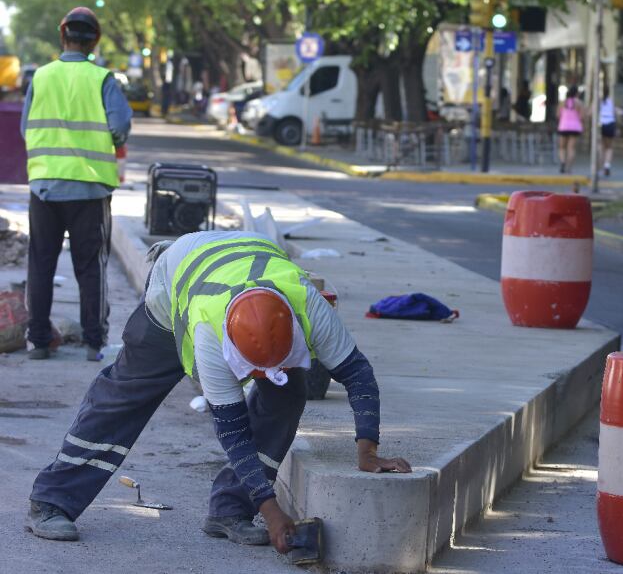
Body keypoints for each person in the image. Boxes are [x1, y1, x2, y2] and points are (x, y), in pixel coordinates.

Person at [25, 231, 411, 554]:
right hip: (176, 284)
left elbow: (358, 374)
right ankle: (52, 500)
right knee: (128, 393)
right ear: (231, 349)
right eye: (256, 368)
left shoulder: (309, 306)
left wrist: (368, 452)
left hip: (241, 263)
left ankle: (230, 510)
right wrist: (272, 509)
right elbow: (231, 430)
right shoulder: (209, 335)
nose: (264, 375)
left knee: (286, 395)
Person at [20, 7, 132, 362]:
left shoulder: (41, 77)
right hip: (89, 187)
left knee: (41, 263)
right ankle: (94, 343)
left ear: (62, 34)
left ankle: (38, 341)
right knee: (90, 265)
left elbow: (26, 129)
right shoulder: (103, 79)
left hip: (45, 188)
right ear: (94, 41)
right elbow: (119, 127)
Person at [557, 85, 584, 173]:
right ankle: (569, 167)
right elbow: (582, 116)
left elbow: (558, 115)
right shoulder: (579, 103)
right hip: (575, 127)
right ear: (577, 93)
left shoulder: (562, 102)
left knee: (562, 147)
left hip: (563, 126)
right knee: (571, 148)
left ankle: (562, 162)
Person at [599, 86, 616, 177]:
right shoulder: (610, 101)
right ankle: (607, 165)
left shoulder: (597, 101)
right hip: (610, 124)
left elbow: (590, 112)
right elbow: (614, 112)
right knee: (609, 147)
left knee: (601, 147)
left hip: (601, 124)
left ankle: (601, 167)